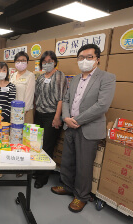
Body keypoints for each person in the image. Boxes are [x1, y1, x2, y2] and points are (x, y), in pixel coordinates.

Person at [51, 44, 116, 213]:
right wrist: (66, 117)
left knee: (84, 164)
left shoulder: (106, 78)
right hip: (70, 125)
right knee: (68, 159)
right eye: (81, 58)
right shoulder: (76, 79)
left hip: (89, 128)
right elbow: (66, 99)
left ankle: (81, 196)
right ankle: (67, 185)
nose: (84, 61)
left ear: (97, 59)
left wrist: (76, 120)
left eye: (89, 57)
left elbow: (102, 105)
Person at [33, 51, 67, 189]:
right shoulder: (41, 77)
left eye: (50, 61)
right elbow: (36, 96)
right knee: (37, 145)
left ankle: (43, 177)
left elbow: (61, 98)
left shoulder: (59, 75)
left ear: (55, 62)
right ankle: (37, 170)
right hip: (39, 114)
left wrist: (57, 117)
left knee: (47, 146)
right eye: (44, 62)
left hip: (52, 115)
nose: (47, 64)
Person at [9, 51, 35, 124]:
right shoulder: (12, 75)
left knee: (25, 134)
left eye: (23, 60)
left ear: (27, 62)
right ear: (15, 62)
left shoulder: (30, 75)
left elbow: (29, 96)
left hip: (25, 111)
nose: (21, 62)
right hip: (13, 110)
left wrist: (23, 111)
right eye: (18, 60)